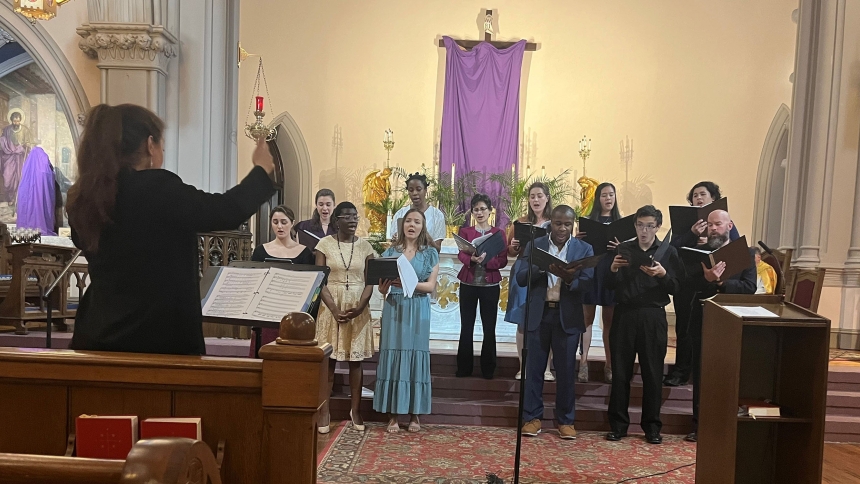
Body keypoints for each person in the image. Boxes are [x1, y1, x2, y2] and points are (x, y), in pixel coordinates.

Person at [67, 104, 275, 355]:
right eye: (162, 145)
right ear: (149, 144)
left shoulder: (84, 197)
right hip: (158, 340)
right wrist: (261, 170)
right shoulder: (157, 189)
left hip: (97, 336)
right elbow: (225, 211)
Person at [605, 205, 684, 445]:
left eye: (649, 226)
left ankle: (652, 427)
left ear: (658, 227)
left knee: (652, 373)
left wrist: (662, 275)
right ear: (635, 225)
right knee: (620, 372)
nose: (644, 230)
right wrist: (612, 269)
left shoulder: (668, 251)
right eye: (640, 225)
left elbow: (678, 287)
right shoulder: (624, 248)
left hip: (653, 316)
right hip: (625, 314)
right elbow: (609, 286)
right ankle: (618, 426)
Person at [518, 205, 594, 440]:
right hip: (540, 315)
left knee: (565, 371)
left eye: (567, 224)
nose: (562, 228)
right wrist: (543, 269)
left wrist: (571, 278)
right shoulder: (536, 245)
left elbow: (588, 283)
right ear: (550, 222)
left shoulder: (583, 248)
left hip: (567, 316)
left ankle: (566, 421)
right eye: (558, 223)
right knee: (534, 370)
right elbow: (521, 278)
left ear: (573, 226)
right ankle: (531, 418)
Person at [682, 209, 756, 443]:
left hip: (731, 321)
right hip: (702, 319)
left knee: (728, 374)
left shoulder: (745, 253)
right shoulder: (699, 254)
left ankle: (725, 425)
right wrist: (705, 278)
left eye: (718, 224)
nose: (714, 228)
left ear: (730, 225)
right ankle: (699, 426)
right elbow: (685, 285)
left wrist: (722, 282)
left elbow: (749, 287)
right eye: (710, 225)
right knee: (701, 375)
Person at [665, 180, 741, 388]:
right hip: (688, 282)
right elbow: (671, 250)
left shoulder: (724, 222)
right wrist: (692, 234)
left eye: (702, 194)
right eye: (695, 195)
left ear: (714, 199)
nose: (698, 198)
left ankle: (704, 371)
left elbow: (735, 248)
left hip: (712, 285)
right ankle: (681, 371)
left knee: (706, 332)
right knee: (684, 328)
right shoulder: (685, 225)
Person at [374, 208, 440, 433]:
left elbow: (430, 287)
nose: (412, 225)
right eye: (408, 221)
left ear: (423, 227)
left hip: (418, 306)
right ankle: (392, 414)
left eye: (417, 221)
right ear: (402, 225)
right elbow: (382, 286)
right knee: (394, 354)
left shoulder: (430, 253)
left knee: (415, 356)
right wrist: (384, 287)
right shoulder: (390, 252)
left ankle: (414, 415)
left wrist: (408, 284)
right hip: (395, 305)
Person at [315, 201, 376, 434]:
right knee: (329, 362)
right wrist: (333, 308)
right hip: (331, 305)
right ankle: (324, 410)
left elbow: (370, 280)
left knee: (355, 361)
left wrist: (361, 306)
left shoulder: (367, 247)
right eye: (347, 216)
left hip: (357, 305)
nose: (352, 220)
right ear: (336, 220)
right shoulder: (324, 245)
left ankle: (356, 410)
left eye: (355, 216)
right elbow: (320, 279)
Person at [247, 205, 315, 356]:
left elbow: (309, 286)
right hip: (265, 311)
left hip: (294, 312)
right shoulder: (260, 251)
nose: (279, 226)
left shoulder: (304, 252)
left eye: (284, 222)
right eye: (275, 222)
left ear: (292, 223)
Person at [505, 182, 555, 381]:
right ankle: (523, 366)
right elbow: (510, 251)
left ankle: (546, 368)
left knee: (546, 320)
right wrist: (514, 246)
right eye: (532, 196)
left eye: (539, 196)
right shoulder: (521, 222)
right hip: (524, 269)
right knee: (522, 321)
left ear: (547, 198)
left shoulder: (555, 222)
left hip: (546, 271)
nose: (536, 200)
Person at [455, 194, 508, 379]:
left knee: (489, 327)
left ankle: (488, 368)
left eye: (483, 209)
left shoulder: (499, 233)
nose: (479, 212)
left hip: (490, 284)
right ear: (472, 212)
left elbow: (503, 260)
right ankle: (464, 368)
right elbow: (461, 254)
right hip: (468, 283)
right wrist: (472, 259)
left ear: (490, 210)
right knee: (466, 326)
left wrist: (486, 262)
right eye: (476, 209)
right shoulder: (466, 232)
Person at [579, 182, 622, 384]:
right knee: (586, 320)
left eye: (611, 194)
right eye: (604, 195)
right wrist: (577, 239)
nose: (608, 198)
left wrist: (622, 246)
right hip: (592, 269)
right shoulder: (588, 221)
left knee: (610, 322)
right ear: (598, 199)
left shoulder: (623, 223)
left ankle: (610, 364)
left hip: (611, 271)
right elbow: (580, 247)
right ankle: (584, 363)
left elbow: (630, 252)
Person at [389, 173, 446, 251]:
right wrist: (397, 240)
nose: (414, 193)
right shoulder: (400, 214)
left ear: (425, 190)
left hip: (427, 260)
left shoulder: (437, 215)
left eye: (418, 189)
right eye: (411, 190)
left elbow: (437, 250)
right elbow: (393, 247)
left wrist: (428, 239)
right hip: (403, 259)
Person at [16, 147, 57, 235]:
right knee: (41, 206)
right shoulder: (44, 165)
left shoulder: (27, 167)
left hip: (27, 197)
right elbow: (50, 177)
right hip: (41, 197)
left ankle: (25, 228)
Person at [0, 110, 32, 210]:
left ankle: (18, 199)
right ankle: (10, 197)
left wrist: (27, 145)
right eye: (14, 121)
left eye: (18, 121)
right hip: (9, 157)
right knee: (7, 178)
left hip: (20, 157)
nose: (16, 123)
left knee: (19, 177)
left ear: (20, 120)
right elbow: (3, 142)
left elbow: (29, 143)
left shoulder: (25, 130)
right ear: (11, 121)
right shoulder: (7, 130)